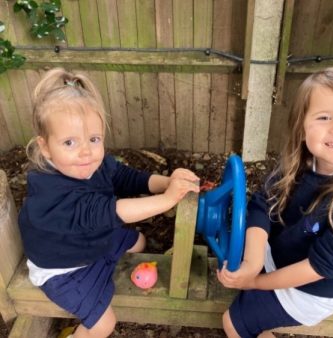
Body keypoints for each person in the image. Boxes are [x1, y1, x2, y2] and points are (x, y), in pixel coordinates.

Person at [18, 68, 200, 338]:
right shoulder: (51, 193)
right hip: (64, 268)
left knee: (138, 242)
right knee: (104, 325)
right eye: (69, 142)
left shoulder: (92, 162)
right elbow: (107, 212)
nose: (85, 152)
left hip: (90, 240)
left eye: (94, 139)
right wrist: (167, 199)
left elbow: (125, 177)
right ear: (45, 148)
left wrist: (166, 182)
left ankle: (108, 266)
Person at [217, 66, 333, 337]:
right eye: (324, 117)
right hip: (279, 253)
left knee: (233, 323)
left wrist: (256, 281)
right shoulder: (298, 164)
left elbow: (318, 267)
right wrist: (253, 262)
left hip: (311, 290)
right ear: (301, 128)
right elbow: (262, 203)